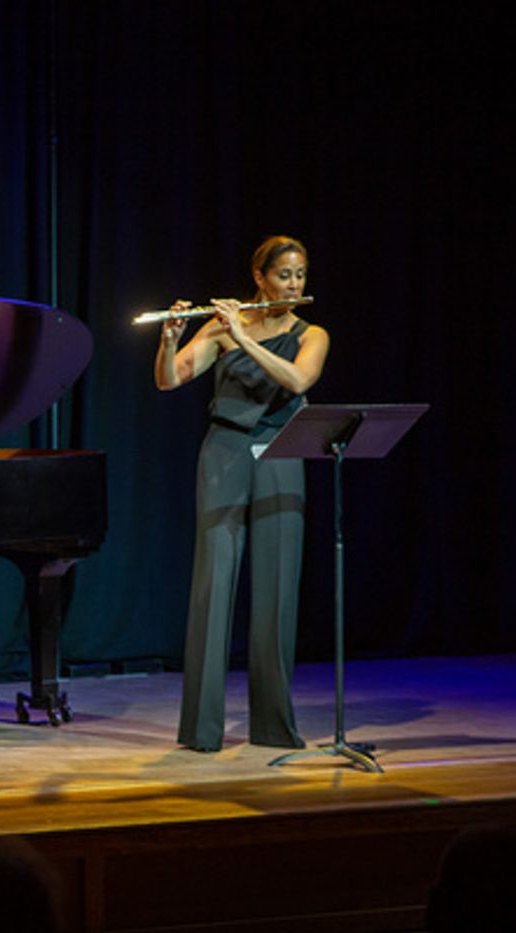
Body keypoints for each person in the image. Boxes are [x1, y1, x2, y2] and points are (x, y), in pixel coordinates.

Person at [154, 235, 330, 752]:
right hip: (225, 452)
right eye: (284, 276)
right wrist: (169, 339)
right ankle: (202, 731)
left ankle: (274, 726)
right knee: (213, 583)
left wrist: (242, 337)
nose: (294, 285)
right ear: (260, 277)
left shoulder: (312, 333)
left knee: (277, 587)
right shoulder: (219, 327)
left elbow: (297, 381)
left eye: (300, 275)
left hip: (282, 451)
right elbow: (170, 380)